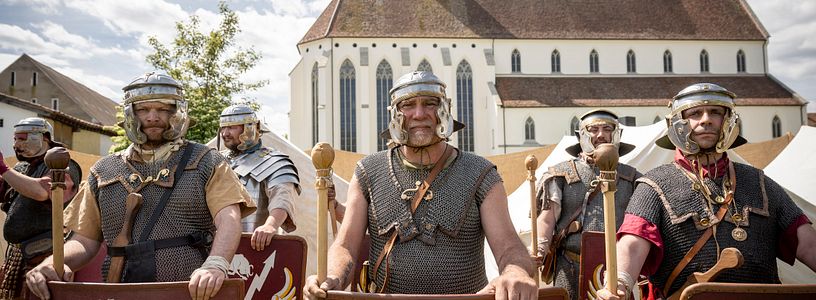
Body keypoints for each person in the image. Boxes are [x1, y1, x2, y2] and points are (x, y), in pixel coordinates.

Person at [303, 71, 537, 300]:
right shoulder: (368, 171)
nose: (419, 113)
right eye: (408, 105)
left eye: (430, 103)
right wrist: (332, 276)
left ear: (444, 110)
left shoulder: (480, 173)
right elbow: (345, 246)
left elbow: (509, 246)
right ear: (395, 113)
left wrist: (515, 271)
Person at [25, 72, 255, 300]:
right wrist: (54, 263)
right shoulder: (104, 171)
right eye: (143, 110)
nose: (153, 117)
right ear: (130, 114)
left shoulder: (207, 161)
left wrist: (215, 265)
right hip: (121, 291)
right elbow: (84, 240)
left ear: (178, 113)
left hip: (186, 291)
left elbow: (229, 218)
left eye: (163, 109)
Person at [597, 83, 816, 300]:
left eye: (715, 112)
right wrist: (620, 283)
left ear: (728, 120)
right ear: (678, 123)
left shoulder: (760, 183)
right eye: (694, 113)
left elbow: (807, 243)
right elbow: (633, 243)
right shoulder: (654, 185)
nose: (706, 119)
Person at [535, 110, 640, 300]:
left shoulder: (632, 178)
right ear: (581, 135)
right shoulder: (561, 175)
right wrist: (539, 249)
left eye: (607, 129)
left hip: (617, 269)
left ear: (617, 134)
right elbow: (547, 219)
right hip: (570, 265)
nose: (600, 135)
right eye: (593, 129)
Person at [0, 118, 81, 299]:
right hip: (18, 256)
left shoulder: (62, 163)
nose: (16, 144)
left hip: (46, 257)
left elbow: (42, 192)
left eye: (22, 139)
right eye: (15, 139)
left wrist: (3, 168)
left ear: (44, 138)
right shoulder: (21, 168)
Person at [218, 104, 302, 251]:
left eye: (231, 127)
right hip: (214, 245)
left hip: (254, 246)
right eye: (223, 128)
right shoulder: (215, 160)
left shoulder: (273, 161)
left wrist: (270, 225)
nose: (225, 133)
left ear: (249, 128)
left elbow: (282, 197)